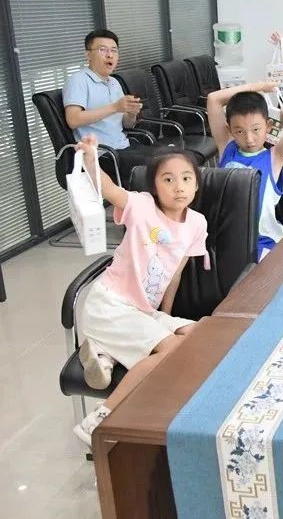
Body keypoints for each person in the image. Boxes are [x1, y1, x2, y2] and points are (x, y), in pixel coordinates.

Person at [71, 135, 208, 447]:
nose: (179, 187)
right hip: (109, 304)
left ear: (196, 184)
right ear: (154, 186)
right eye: (168, 179)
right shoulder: (142, 206)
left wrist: (164, 318)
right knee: (171, 348)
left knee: (201, 333)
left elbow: (175, 273)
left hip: (141, 311)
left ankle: (104, 354)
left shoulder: (197, 223)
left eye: (186, 179)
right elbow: (108, 189)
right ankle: (98, 421)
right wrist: (91, 158)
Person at [207, 81, 283, 260]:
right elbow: (213, 99)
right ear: (229, 129)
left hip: (263, 244)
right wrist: (259, 86)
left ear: (268, 126)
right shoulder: (227, 147)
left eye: (256, 129)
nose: (249, 139)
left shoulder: (275, 157)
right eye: (240, 131)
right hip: (227, 241)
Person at [63, 29, 154, 188]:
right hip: (102, 154)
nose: (110, 55)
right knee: (160, 169)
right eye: (102, 50)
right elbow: (73, 119)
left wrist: (131, 114)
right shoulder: (78, 80)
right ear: (88, 54)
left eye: (114, 50)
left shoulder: (114, 82)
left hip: (124, 146)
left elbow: (126, 124)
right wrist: (114, 107)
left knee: (174, 158)